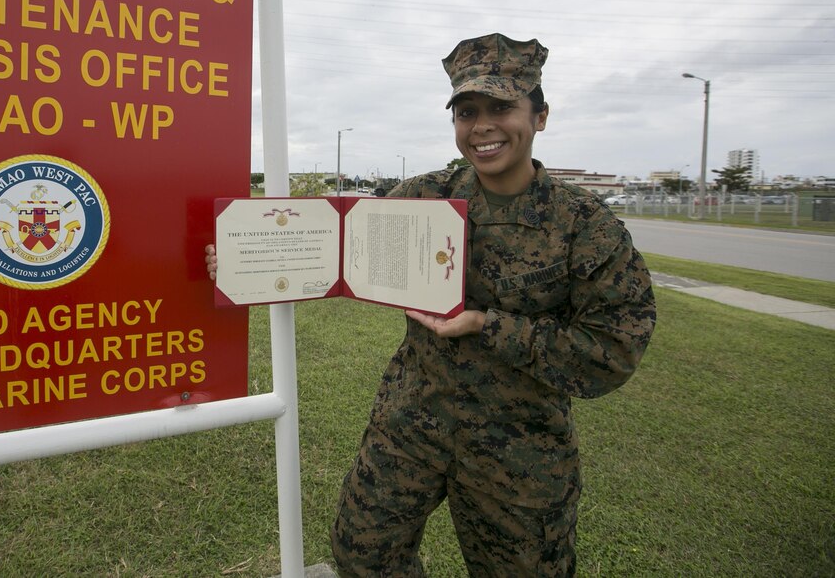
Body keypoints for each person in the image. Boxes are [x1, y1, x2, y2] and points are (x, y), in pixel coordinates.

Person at [206, 33, 656, 576]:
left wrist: (486, 324)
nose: (482, 126)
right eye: (467, 112)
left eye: (501, 107)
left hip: (519, 449)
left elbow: (613, 350)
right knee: (362, 555)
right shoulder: (426, 195)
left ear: (539, 116)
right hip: (412, 419)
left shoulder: (584, 226)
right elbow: (335, 248)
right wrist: (244, 259)